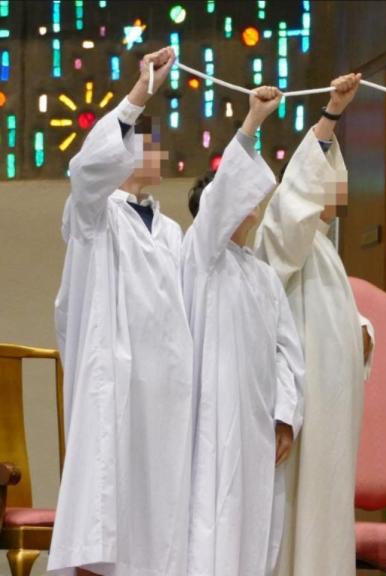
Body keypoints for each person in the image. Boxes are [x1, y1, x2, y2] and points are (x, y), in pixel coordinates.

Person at [50, 46, 195, 576]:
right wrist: (139, 93)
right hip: (118, 379)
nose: (158, 152)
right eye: (147, 142)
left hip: (168, 390)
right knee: (114, 498)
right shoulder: (94, 214)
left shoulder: (173, 232)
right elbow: (86, 169)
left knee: (162, 512)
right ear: (124, 150)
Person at [253, 73, 375, 576]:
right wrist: (330, 116)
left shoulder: (326, 251)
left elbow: (336, 313)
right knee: (299, 521)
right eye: (322, 178)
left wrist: (362, 332)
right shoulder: (278, 239)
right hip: (302, 409)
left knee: (326, 514)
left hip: (334, 406)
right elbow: (291, 210)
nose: (332, 192)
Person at [182, 86, 305, 576]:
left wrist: (284, 416)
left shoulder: (261, 275)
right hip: (213, 420)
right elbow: (220, 199)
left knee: (255, 532)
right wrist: (253, 122)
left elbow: (287, 352)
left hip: (256, 425)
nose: (251, 202)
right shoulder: (201, 257)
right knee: (213, 526)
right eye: (238, 196)